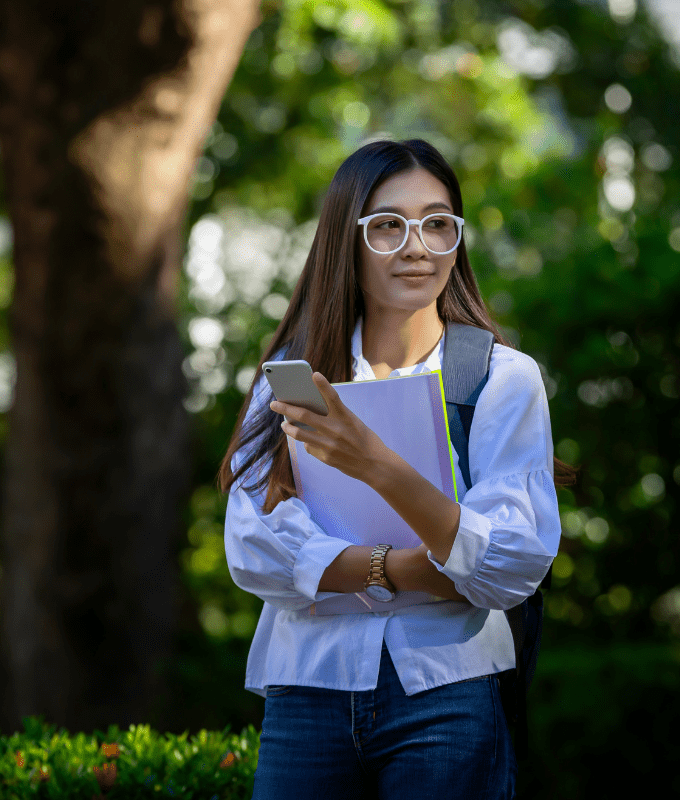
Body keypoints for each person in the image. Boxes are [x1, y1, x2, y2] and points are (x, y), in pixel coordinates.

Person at [219, 138, 568, 799]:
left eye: (439, 224)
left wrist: (377, 466)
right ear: (345, 242)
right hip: (308, 688)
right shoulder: (295, 378)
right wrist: (409, 567)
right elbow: (253, 549)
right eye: (388, 226)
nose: (418, 246)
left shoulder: (500, 377)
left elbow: (512, 564)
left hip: (448, 691)